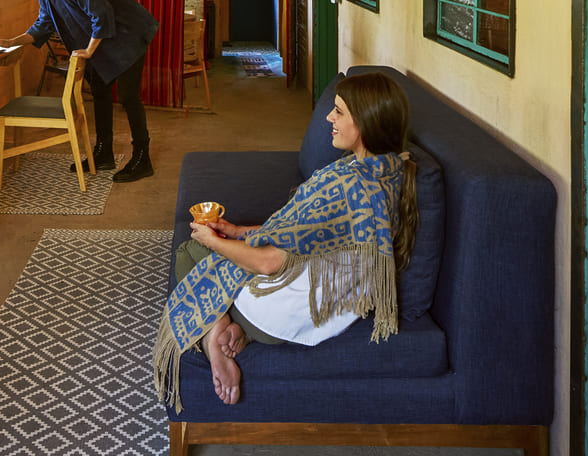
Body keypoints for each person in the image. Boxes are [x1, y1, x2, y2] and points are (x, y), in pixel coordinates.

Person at [152, 72, 419, 410]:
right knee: (221, 249)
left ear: (366, 121)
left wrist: (214, 239)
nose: (329, 118)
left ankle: (212, 337)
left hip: (277, 310)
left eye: (338, 112)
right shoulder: (388, 172)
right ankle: (240, 335)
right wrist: (238, 232)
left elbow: (269, 263)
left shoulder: (347, 188)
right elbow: (302, 234)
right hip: (330, 313)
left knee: (191, 251)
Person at [0, 0, 159, 182]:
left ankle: (143, 158)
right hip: (105, 43)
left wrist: (89, 50)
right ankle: (104, 152)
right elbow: (42, 27)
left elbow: (101, 13)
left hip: (128, 34)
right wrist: (10, 42)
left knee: (128, 96)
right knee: (100, 90)